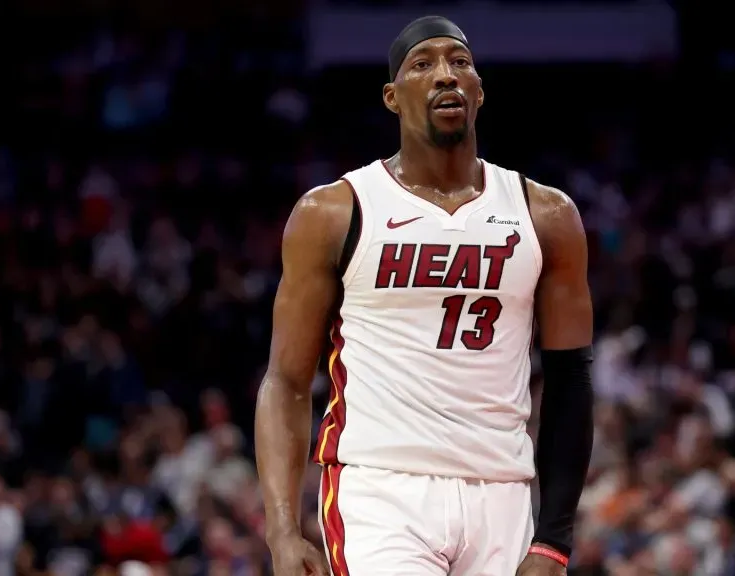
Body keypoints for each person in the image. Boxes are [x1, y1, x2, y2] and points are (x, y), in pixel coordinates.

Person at [255, 15, 595, 576]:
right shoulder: (334, 211)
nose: (445, 75)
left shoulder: (546, 215)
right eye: (424, 64)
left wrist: (554, 539)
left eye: (460, 63)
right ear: (393, 97)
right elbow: (286, 381)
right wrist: (282, 530)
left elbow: (570, 379)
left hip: (502, 491)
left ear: (479, 91)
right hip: (381, 488)